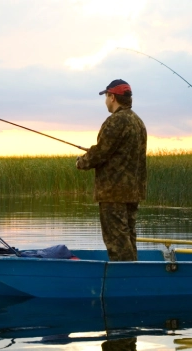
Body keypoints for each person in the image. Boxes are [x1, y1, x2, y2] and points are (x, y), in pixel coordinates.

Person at [76, 79, 147, 261]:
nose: (106, 101)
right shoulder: (138, 122)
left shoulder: (115, 121)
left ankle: (125, 281)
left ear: (112, 97)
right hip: (133, 191)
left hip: (113, 192)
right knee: (128, 237)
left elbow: (100, 152)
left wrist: (81, 161)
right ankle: (133, 276)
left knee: (117, 242)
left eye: (106, 97)